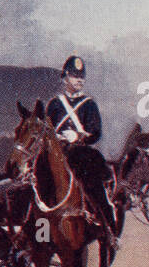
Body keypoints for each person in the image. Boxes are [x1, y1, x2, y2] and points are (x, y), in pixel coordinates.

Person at [45, 54, 118, 243]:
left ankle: (106, 220)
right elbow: (47, 130)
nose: (79, 80)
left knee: (92, 180)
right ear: (65, 77)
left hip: (79, 154)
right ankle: (39, 235)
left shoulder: (89, 104)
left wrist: (78, 136)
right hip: (58, 152)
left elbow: (95, 132)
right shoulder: (54, 104)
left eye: (82, 76)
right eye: (75, 75)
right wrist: (58, 138)